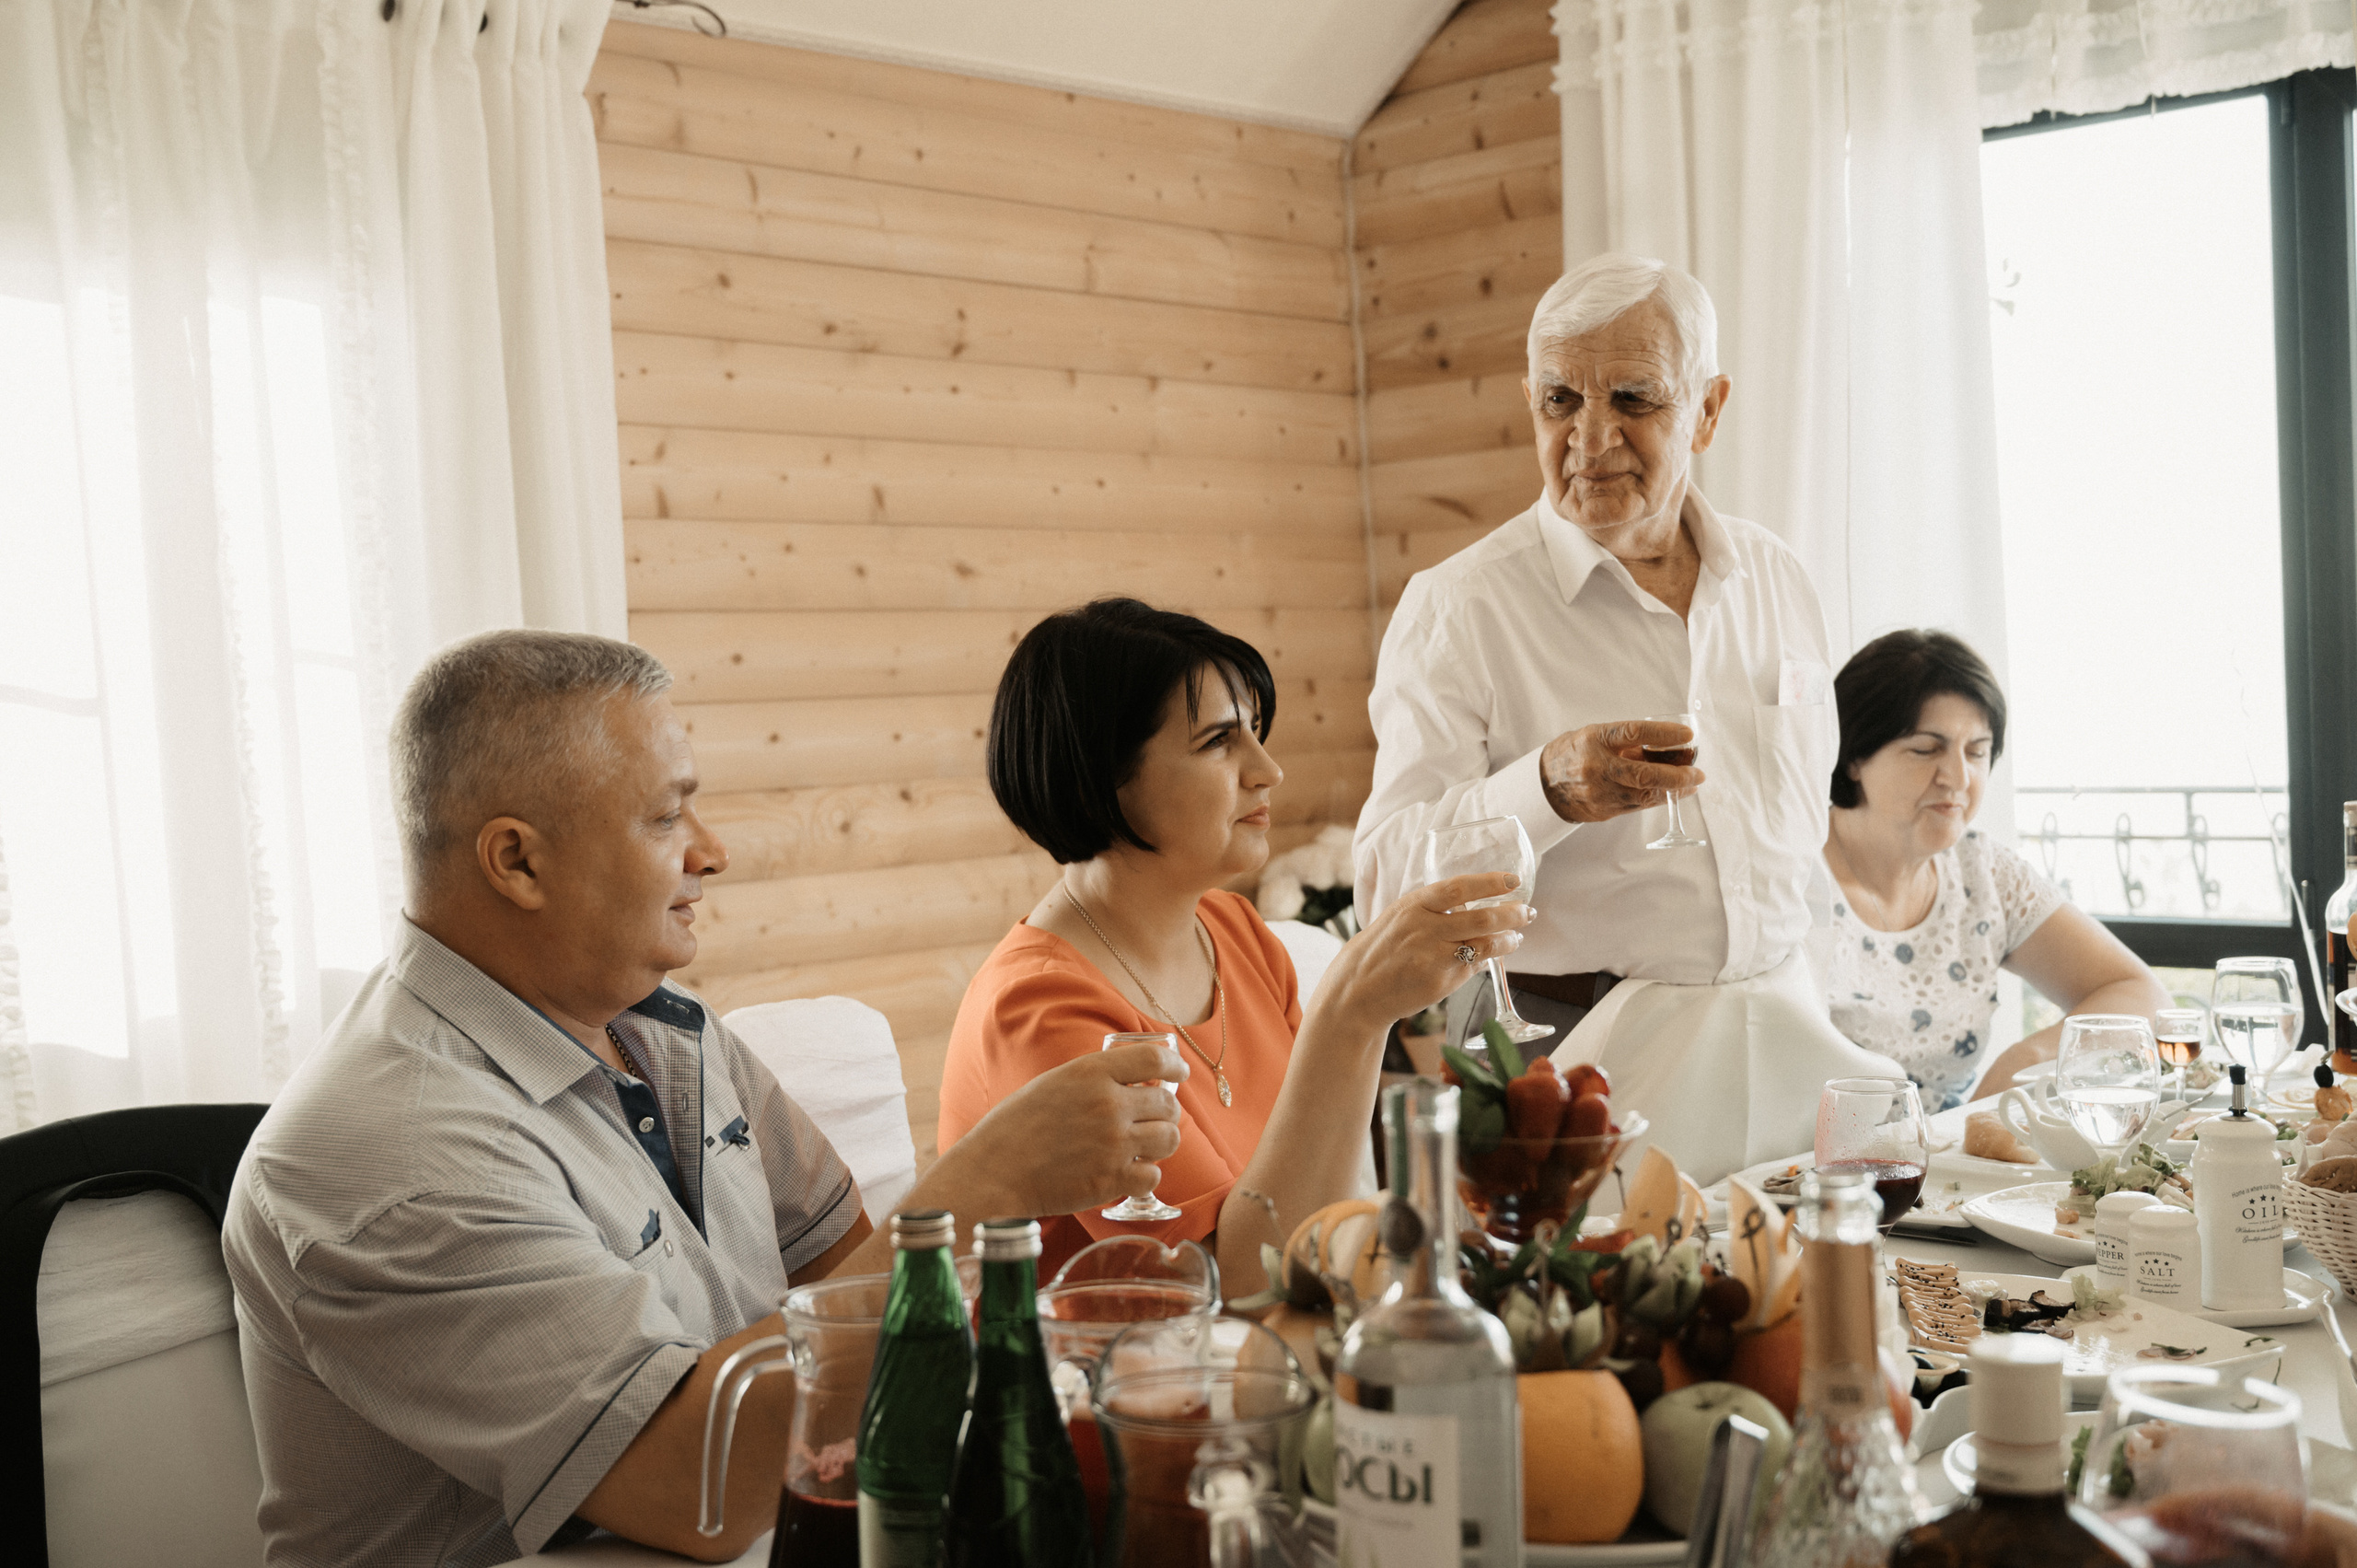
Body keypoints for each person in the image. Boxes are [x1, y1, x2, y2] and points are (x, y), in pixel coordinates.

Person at [222, 631, 1190, 1566]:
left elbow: (840, 1288)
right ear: (516, 860)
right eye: (665, 816)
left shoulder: (665, 1025)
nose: (712, 850)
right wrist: (977, 1192)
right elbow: (698, 1488)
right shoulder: (395, 1155)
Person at [1353, 251, 1901, 1181]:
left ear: (1709, 410)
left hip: (1783, 1040)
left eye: (1633, 400)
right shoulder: (1459, 606)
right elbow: (1381, 880)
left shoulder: (1780, 578)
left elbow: (1794, 826)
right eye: (1560, 401)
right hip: (1568, 1057)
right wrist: (1542, 791)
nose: (1590, 437)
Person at [936, 598, 1530, 1287]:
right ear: (1101, 778)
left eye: (1255, 730)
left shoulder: (1235, 931)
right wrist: (1356, 1010)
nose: (1267, 769)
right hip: (1108, 1375)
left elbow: (1320, 1213)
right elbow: (1235, 1283)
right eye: (1219, 740)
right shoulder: (1039, 1005)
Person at [1817, 629, 2167, 1109]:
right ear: (1854, 755)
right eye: (1926, 749)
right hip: (1808, 1173)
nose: (1959, 778)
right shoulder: (1787, 875)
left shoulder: (1983, 872)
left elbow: (2140, 995)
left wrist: (2027, 1060)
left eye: (1977, 751)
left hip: (1944, 1170)